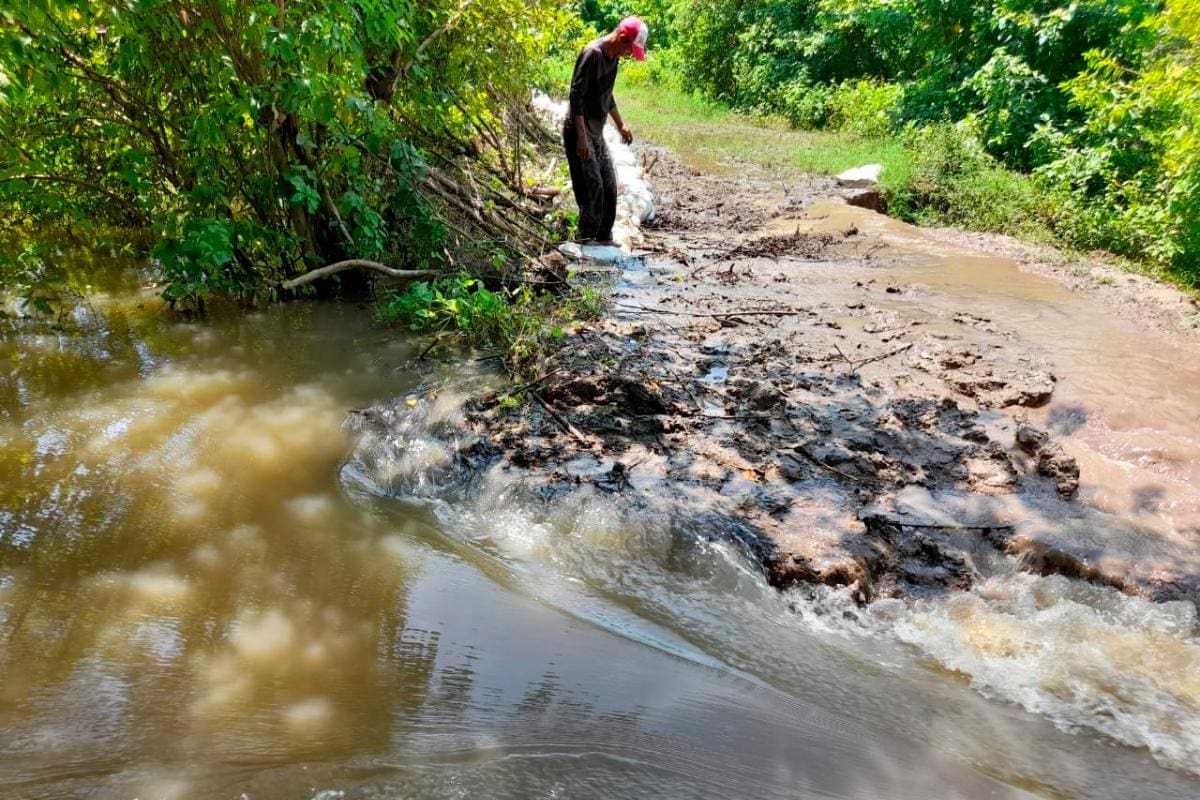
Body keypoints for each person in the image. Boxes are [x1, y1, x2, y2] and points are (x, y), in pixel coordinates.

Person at [563, 16, 649, 246]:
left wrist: (621, 124)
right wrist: (581, 138)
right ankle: (585, 238)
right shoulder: (592, 54)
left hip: (596, 131)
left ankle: (602, 238)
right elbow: (576, 96)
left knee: (610, 185)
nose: (628, 55)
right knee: (593, 185)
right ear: (622, 38)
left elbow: (606, 95)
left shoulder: (613, 59)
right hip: (579, 129)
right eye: (629, 50)